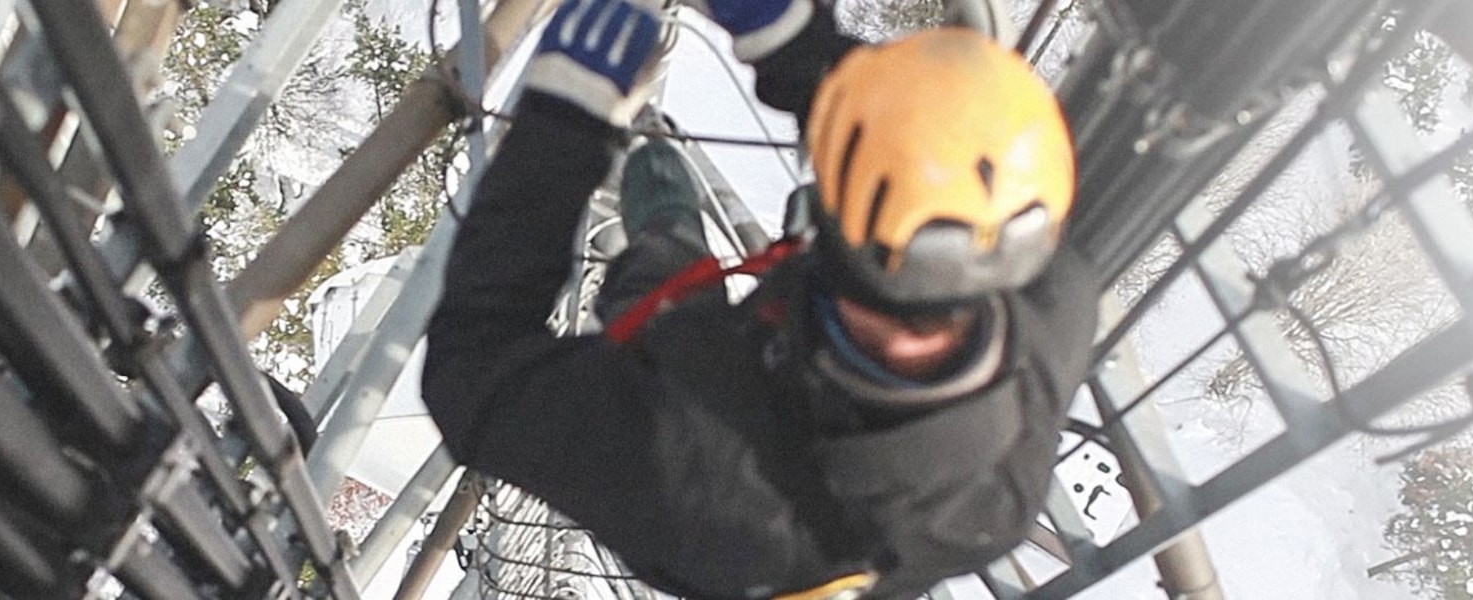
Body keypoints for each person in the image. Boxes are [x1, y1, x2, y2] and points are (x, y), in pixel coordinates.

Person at [420, 0, 1098, 596]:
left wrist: (562, 127)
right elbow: (929, 175)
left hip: (724, 517)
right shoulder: (1051, 302)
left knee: (657, 291)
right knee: (667, 296)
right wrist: (792, 43)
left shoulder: (683, 453)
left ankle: (662, 227)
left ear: (818, 233)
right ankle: (664, 231)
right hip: (810, 476)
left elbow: (470, 376)